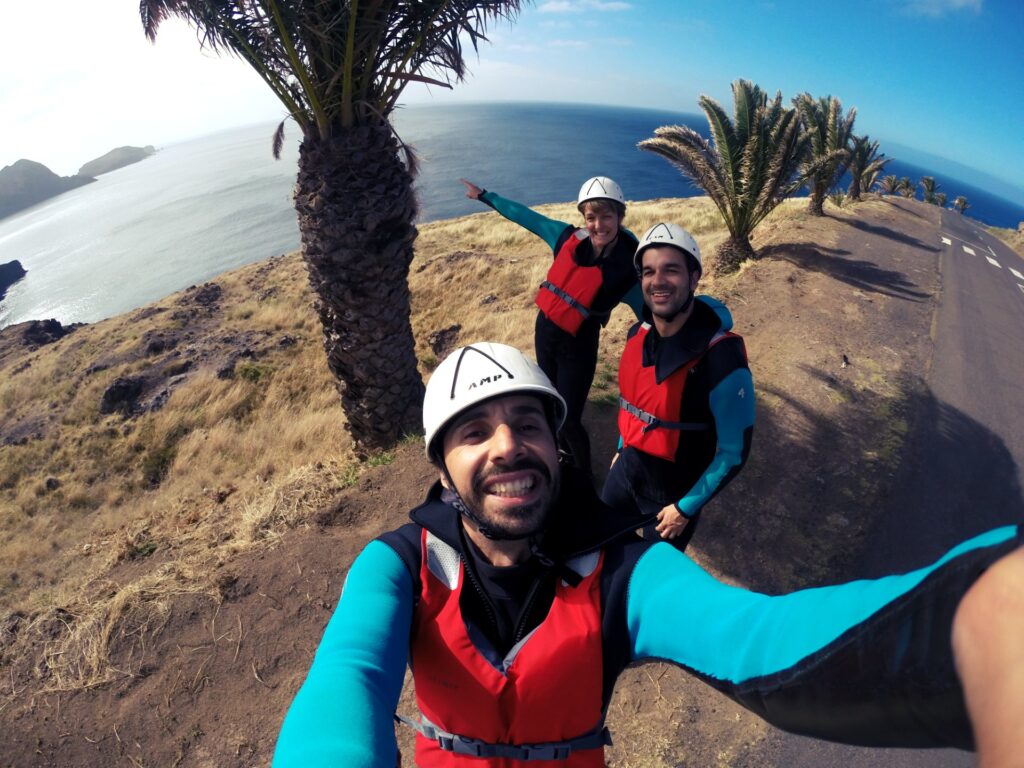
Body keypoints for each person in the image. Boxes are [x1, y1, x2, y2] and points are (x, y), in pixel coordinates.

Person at [272, 342, 1023, 767]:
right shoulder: (397, 565)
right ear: (442, 471)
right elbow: (346, 681)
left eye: (526, 424)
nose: (508, 448)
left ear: (559, 449)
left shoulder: (624, 571)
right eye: (474, 433)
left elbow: (759, 640)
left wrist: (970, 622)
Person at [459, 176, 642, 475]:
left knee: (569, 417)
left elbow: (650, 310)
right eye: (591, 217)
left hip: (580, 343)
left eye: (607, 216)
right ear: (583, 218)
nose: (598, 225)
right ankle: (561, 453)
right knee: (550, 400)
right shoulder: (566, 237)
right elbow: (526, 217)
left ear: (620, 217)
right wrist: (485, 196)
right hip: (545, 331)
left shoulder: (628, 266)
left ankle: (584, 476)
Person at [603, 222, 755, 551]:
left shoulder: (722, 359)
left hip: (674, 497)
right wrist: (620, 448)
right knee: (603, 551)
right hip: (626, 471)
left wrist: (685, 508)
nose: (658, 281)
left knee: (653, 580)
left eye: (671, 270)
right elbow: (633, 401)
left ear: (694, 276)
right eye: (648, 271)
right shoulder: (636, 336)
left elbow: (734, 453)